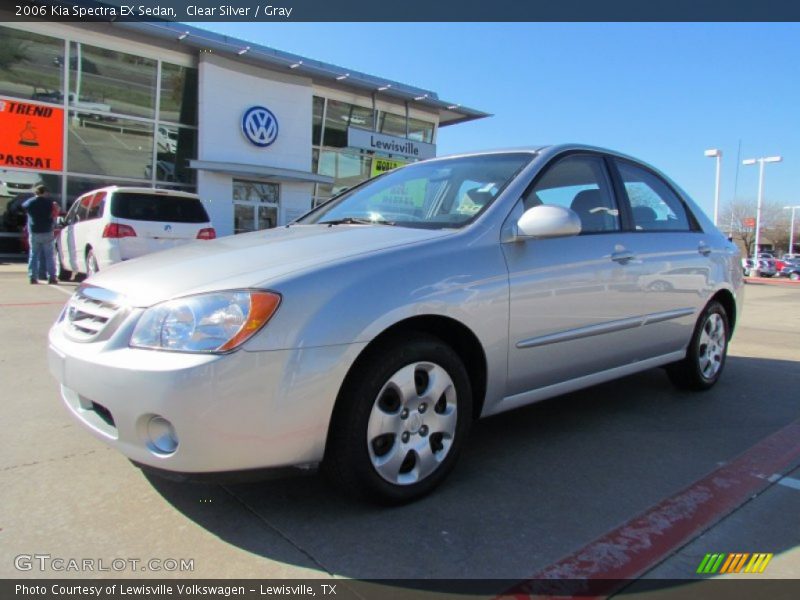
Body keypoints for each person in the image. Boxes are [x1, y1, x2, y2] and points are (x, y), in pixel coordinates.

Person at [22, 185, 57, 284]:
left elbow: (23, 206)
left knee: (34, 255)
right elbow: (55, 210)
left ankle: (33, 277)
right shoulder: (50, 203)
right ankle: (52, 277)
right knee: (49, 256)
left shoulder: (30, 202)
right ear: (44, 192)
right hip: (47, 231)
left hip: (34, 231)